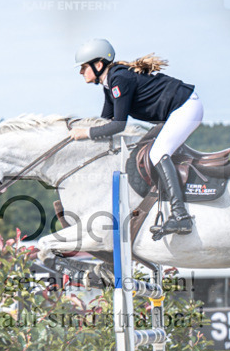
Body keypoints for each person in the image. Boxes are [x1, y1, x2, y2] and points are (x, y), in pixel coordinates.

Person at [69, 38, 204, 240]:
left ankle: (181, 215)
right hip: (178, 110)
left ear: (98, 65)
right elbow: (105, 121)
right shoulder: (109, 83)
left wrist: (85, 133)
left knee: (158, 152)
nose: (81, 72)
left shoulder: (119, 80)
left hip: (186, 108)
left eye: (83, 67)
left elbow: (118, 125)